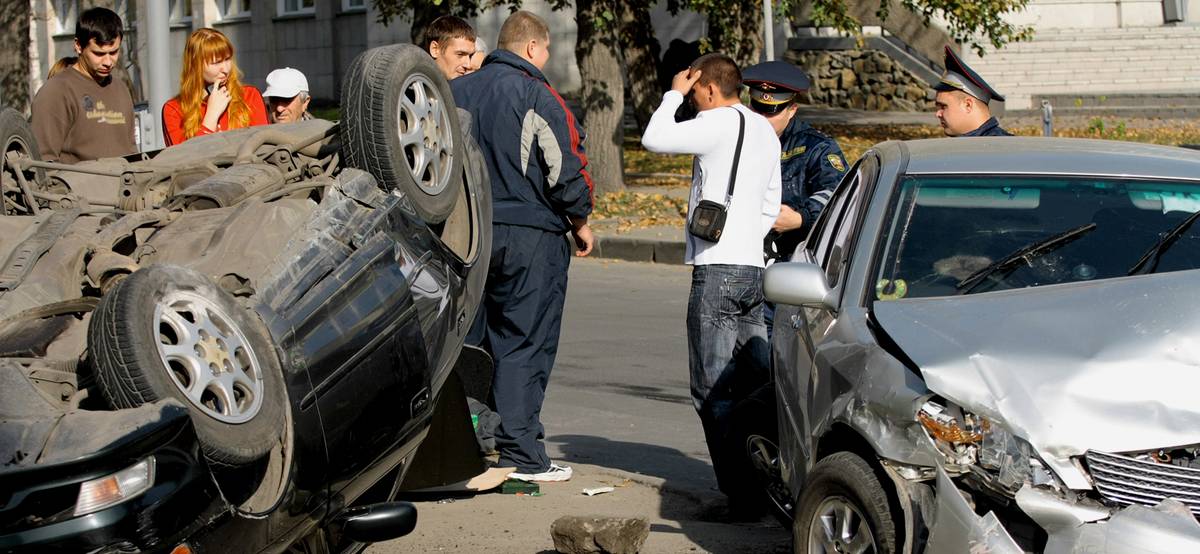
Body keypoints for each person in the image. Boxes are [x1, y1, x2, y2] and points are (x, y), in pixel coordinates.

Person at [451, 10, 595, 483]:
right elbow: (563, 170)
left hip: (469, 236)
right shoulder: (537, 95)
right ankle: (523, 456)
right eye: (548, 49)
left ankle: (473, 444)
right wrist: (581, 220)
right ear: (533, 48)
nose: (548, 58)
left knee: (474, 343)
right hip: (530, 235)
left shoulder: (457, 91)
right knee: (525, 343)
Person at [641, 53, 782, 506]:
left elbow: (653, 138)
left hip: (717, 270)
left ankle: (741, 495)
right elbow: (770, 204)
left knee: (713, 389)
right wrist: (747, 239)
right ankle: (770, 482)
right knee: (757, 388)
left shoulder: (717, 120)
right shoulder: (764, 128)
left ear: (707, 88)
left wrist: (672, 95)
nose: (694, 101)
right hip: (754, 270)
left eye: (695, 93)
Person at [743, 61, 847, 262]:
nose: (763, 118)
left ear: (792, 110)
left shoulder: (817, 147)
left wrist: (801, 218)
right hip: (744, 254)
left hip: (793, 259)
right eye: (758, 108)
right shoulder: (737, 139)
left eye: (771, 111)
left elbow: (838, 193)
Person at [31, 7, 135, 164]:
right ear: (78, 46)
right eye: (98, 54)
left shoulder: (121, 89)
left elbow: (132, 151)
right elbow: (43, 162)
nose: (108, 62)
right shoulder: (56, 92)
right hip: (77, 187)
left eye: (113, 52)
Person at [162, 28, 268, 146]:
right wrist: (211, 116)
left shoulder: (249, 96)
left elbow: (264, 145)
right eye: (216, 63)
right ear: (196, 65)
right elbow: (182, 159)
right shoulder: (174, 109)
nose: (226, 70)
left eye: (227, 59)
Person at [934, 45, 1012, 137]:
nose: (937, 114)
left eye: (943, 106)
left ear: (968, 105)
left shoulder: (999, 147)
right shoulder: (980, 144)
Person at [421, 15, 477, 80]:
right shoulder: (413, 86)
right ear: (435, 49)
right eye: (460, 54)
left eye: (470, 56)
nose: (468, 65)